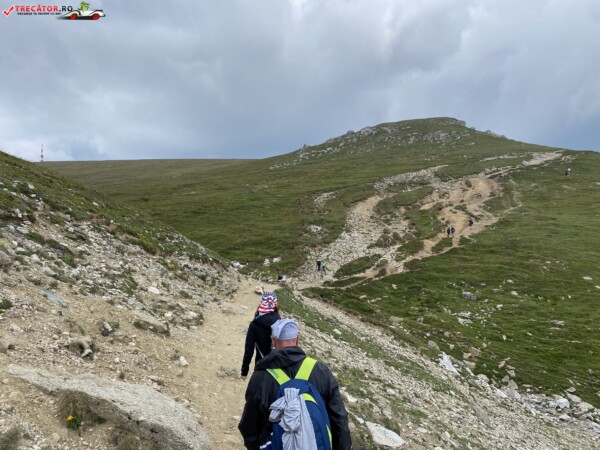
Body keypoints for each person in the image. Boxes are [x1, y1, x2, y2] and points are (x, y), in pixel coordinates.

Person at [239, 319, 352, 450]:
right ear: (297, 340)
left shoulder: (261, 376)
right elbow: (339, 418)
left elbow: (249, 425)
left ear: (273, 341)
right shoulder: (320, 370)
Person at [241, 292, 281, 380]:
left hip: (261, 366)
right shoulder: (280, 322)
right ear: (275, 304)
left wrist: (244, 371)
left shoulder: (255, 324)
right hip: (278, 368)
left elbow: (249, 349)